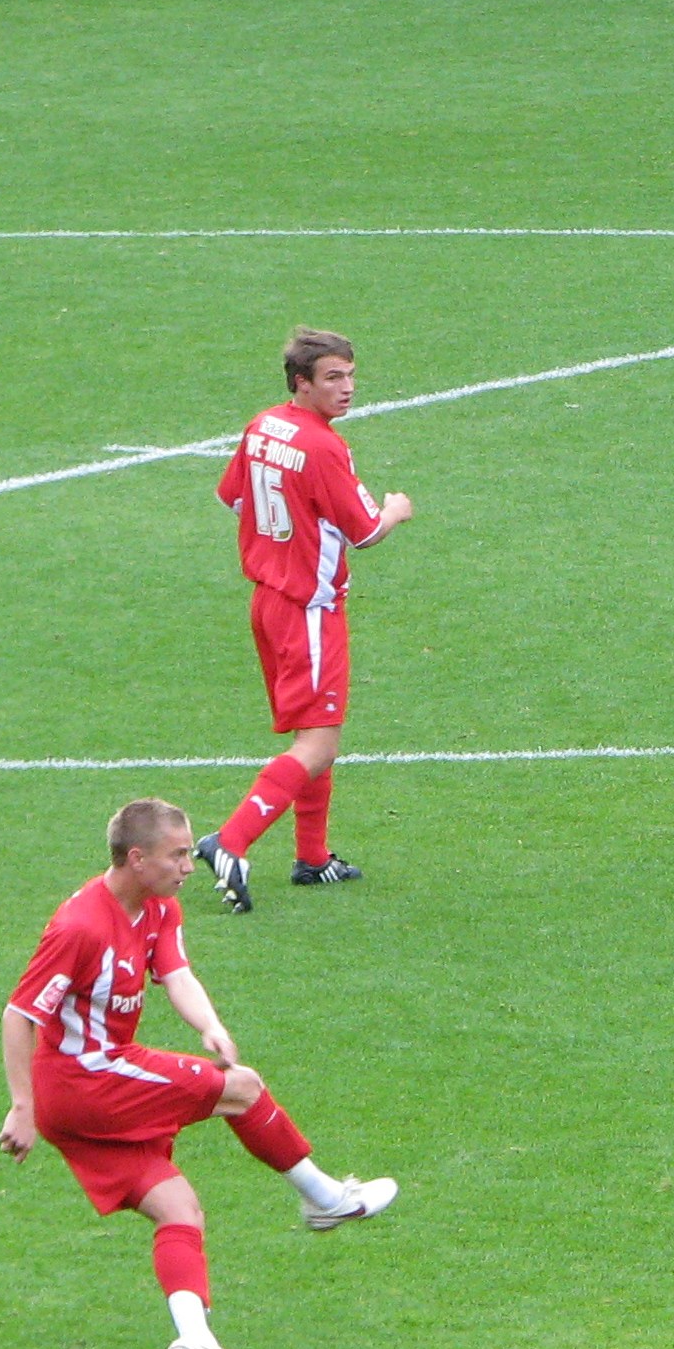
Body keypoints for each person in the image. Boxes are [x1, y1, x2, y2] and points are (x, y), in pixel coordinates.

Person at [0, 797, 397, 1349]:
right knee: (240, 1088)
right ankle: (323, 1197)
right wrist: (22, 1106)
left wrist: (208, 1025)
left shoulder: (159, 908)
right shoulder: (79, 925)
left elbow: (176, 974)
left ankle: (196, 1341)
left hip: (99, 1083)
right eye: (178, 854)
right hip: (84, 1081)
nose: (190, 865)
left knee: (178, 1209)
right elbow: (18, 1013)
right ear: (137, 859)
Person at [194, 327, 414, 913]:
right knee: (318, 741)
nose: (347, 389)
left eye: (349, 375)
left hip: (266, 600)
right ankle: (231, 841)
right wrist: (395, 510)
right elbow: (366, 531)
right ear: (302, 383)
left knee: (313, 734)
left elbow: (233, 498)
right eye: (332, 379)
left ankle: (312, 859)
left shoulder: (263, 425)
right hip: (308, 609)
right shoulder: (323, 447)